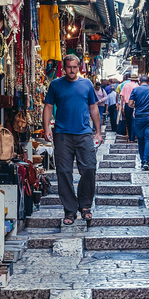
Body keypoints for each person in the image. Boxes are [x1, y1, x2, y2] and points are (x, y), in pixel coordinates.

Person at [43, 54, 102, 225]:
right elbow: (48, 107)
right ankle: (70, 211)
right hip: (62, 134)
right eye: (69, 67)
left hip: (84, 133)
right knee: (63, 172)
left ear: (78, 67)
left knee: (90, 168)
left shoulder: (87, 84)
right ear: (64, 68)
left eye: (75, 67)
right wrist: (47, 128)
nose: (72, 70)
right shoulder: (56, 84)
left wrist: (98, 132)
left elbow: (93, 107)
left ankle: (85, 206)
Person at [128, 75, 149, 170]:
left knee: (140, 140)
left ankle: (142, 160)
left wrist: (138, 106)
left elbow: (130, 104)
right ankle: (146, 161)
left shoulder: (135, 90)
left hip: (139, 117)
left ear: (139, 82)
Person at [118, 73, 138, 142]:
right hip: (134, 105)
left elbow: (122, 97)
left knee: (128, 121)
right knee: (134, 121)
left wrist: (121, 106)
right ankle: (133, 137)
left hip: (127, 105)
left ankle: (129, 137)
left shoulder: (125, 85)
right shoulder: (137, 86)